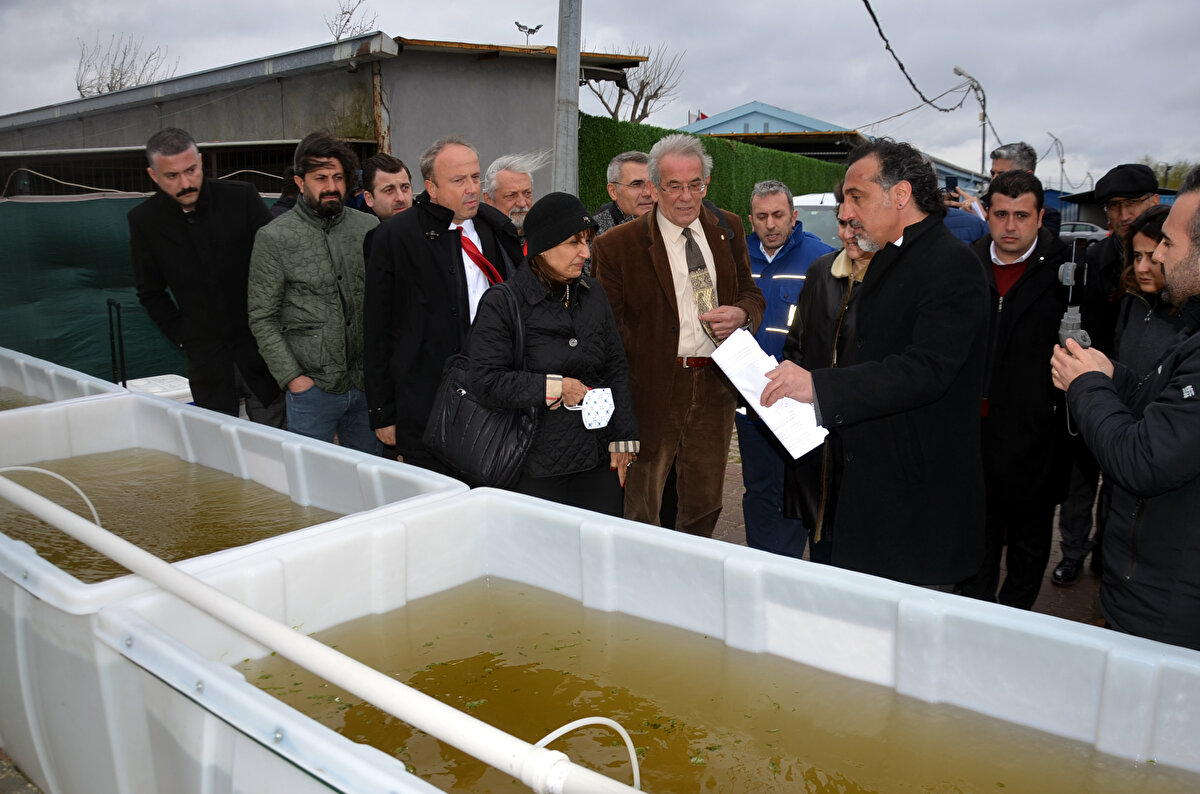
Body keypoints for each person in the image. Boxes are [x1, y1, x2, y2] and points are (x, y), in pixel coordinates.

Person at [762, 139, 989, 588]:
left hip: (918, 507)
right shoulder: (889, 258)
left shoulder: (952, 266)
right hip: (872, 494)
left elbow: (925, 370)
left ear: (900, 195)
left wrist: (820, 387)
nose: (847, 211)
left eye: (856, 196)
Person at [1049, 167, 1200, 651]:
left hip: (1169, 615)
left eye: (1169, 244)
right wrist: (1113, 376)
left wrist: (1088, 385)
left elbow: (1143, 460)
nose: (1154, 255)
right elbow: (1168, 405)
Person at [591, 133, 765, 537]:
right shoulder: (617, 246)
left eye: (696, 185)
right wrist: (619, 414)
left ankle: (694, 582)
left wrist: (740, 313)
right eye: (674, 186)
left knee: (704, 504)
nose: (687, 197)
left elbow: (752, 295)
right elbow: (608, 336)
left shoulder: (729, 228)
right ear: (653, 186)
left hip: (714, 387)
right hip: (652, 390)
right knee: (642, 506)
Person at [467, 192, 638, 515]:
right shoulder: (503, 303)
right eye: (574, 243)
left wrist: (623, 439)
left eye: (587, 242)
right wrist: (555, 387)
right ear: (544, 246)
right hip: (531, 461)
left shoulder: (594, 293)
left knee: (600, 551)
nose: (585, 253)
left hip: (597, 456)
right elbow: (486, 381)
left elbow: (616, 366)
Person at [364, 135, 524, 471]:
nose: (471, 188)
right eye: (458, 180)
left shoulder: (496, 230)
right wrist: (382, 411)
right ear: (431, 188)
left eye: (475, 178)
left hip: (494, 398)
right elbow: (377, 329)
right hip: (425, 405)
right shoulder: (394, 237)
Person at [955, 170, 1073, 609]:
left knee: (1027, 546)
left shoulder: (1067, 276)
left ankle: (1017, 624)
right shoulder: (966, 266)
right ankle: (975, 616)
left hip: (1036, 443)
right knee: (976, 540)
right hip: (975, 438)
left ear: (1040, 217)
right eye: (1000, 214)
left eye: (1021, 215)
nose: (1009, 226)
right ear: (986, 214)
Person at [1053, 163, 1163, 587]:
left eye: (1130, 203)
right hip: (1092, 380)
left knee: (1125, 481)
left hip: (1145, 389)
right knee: (1081, 478)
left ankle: (1108, 556)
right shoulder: (1094, 257)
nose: (1121, 215)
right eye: (1113, 207)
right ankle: (1072, 552)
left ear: (1154, 200)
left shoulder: (1173, 254)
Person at [129, 127, 284, 425]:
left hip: (263, 353)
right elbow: (150, 292)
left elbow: (277, 265)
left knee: (277, 445)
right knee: (218, 451)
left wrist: (274, 328)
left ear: (201, 162)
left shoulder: (242, 198)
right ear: (153, 175)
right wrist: (186, 338)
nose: (185, 183)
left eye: (191, 170)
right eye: (172, 176)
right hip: (207, 363)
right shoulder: (144, 221)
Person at [247, 131, 379, 454]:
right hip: (312, 392)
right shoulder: (274, 238)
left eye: (338, 177)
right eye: (320, 177)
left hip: (366, 387)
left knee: (372, 479)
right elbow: (262, 317)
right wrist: (294, 379)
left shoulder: (369, 228)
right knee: (313, 485)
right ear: (300, 182)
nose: (332, 186)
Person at [782, 181, 875, 564]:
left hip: (865, 436)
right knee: (821, 541)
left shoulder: (893, 281)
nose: (845, 234)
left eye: (855, 225)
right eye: (841, 224)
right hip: (816, 435)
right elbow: (797, 343)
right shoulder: (821, 271)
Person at [738, 180, 833, 557]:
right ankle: (762, 564)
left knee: (798, 487)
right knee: (759, 488)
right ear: (751, 219)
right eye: (762, 217)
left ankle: (800, 567)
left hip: (800, 405)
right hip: (750, 404)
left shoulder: (821, 260)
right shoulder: (737, 258)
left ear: (794, 217)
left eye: (778, 215)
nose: (771, 224)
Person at [1113, 205, 1178, 375]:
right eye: (1137, 256)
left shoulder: (1189, 315)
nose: (1142, 268)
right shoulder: (1131, 301)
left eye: (1152, 257)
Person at [947, 142, 1062, 236]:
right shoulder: (983, 203)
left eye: (1002, 174)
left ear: (1028, 175)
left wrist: (984, 219)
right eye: (993, 173)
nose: (995, 179)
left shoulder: (1048, 215)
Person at [483, 151, 550, 240]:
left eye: (527, 193)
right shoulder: (478, 242)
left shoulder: (546, 240)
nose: (522, 203)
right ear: (489, 199)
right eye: (511, 195)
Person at [593, 151, 656, 235]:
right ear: (613, 191)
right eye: (636, 184)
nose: (647, 193)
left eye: (652, 183)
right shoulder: (596, 233)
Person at [361, 153, 413, 220]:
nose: (401, 198)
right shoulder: (358, 229)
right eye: (389, 190)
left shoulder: (426, 223)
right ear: (369, 198)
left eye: (405, 187)